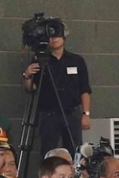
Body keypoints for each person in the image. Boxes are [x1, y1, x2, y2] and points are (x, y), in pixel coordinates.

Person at [21, 19, 92, 157]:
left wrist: (86, 114)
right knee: (48, 151)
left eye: (57, 35)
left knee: (75, 151)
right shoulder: (40, 60)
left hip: (72, 114)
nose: (54, 39)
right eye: (50, 35)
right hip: (49, 114)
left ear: (64, 36)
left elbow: (84, 89)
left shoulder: (76, 60)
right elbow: (31, 88)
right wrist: (27, 75)